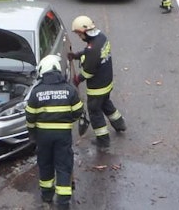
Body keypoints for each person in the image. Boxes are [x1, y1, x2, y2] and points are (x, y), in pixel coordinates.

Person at [25, 55, 84, 208]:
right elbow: (78, 111)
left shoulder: (36, 91)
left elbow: (30, 116)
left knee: (45, 164)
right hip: (63, 135)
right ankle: (63, 202)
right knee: (63, 166)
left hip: (43, 136)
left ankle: (47, 196)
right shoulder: (69, 89)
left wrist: (32, 133)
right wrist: (67, 121)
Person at [67, 15, 127, 148]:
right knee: (105, 103)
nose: (79, 37)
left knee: (95, 111)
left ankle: (103, 140)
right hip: (107, 82)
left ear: (84, 32)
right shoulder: (101, 38)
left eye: (79, 34)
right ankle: (119, 124)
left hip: (97, 88)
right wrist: (77, 55)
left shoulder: (92, 49)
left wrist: (77, 80)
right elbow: (91, 52)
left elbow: (88, 71)